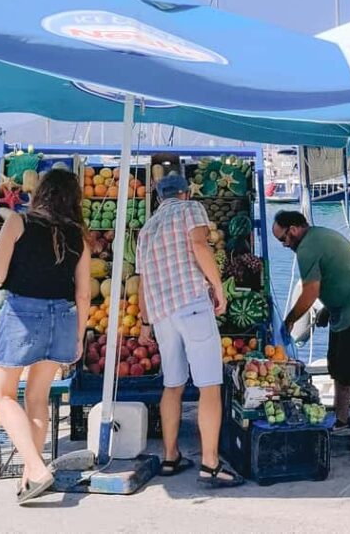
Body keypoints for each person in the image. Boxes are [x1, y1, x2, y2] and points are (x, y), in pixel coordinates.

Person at [0, 169, 90, 504]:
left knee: (3, 396)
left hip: (23, 315)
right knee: (37, 398)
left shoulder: (18, 223)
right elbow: (84, 294)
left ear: (41, 193)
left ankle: (36, 467)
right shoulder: (77, 236)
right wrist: (78, 337)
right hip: (63, 318)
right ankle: (29, 479)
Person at [135, 173, 243, 487]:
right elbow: (198, 244)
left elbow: (142, 282)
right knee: (209, 385)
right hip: (191, 304)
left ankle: (171, 456)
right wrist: (217, 286)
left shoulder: (147, 228)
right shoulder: (189, 208)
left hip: (161, 314)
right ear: (184, 194)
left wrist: (145, 322)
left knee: (173, 385)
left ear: (159, 198)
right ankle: (210, 464)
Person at [273, 210, 350, 451]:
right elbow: (340, 273)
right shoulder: (321, 234)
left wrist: (290, 320)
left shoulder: (306, 249)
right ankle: (342, 421)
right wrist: (327, 309)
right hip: (343, 309)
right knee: (338, 367)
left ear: (293, 229)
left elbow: (310, 292)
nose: (284, 245)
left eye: (283, 239)